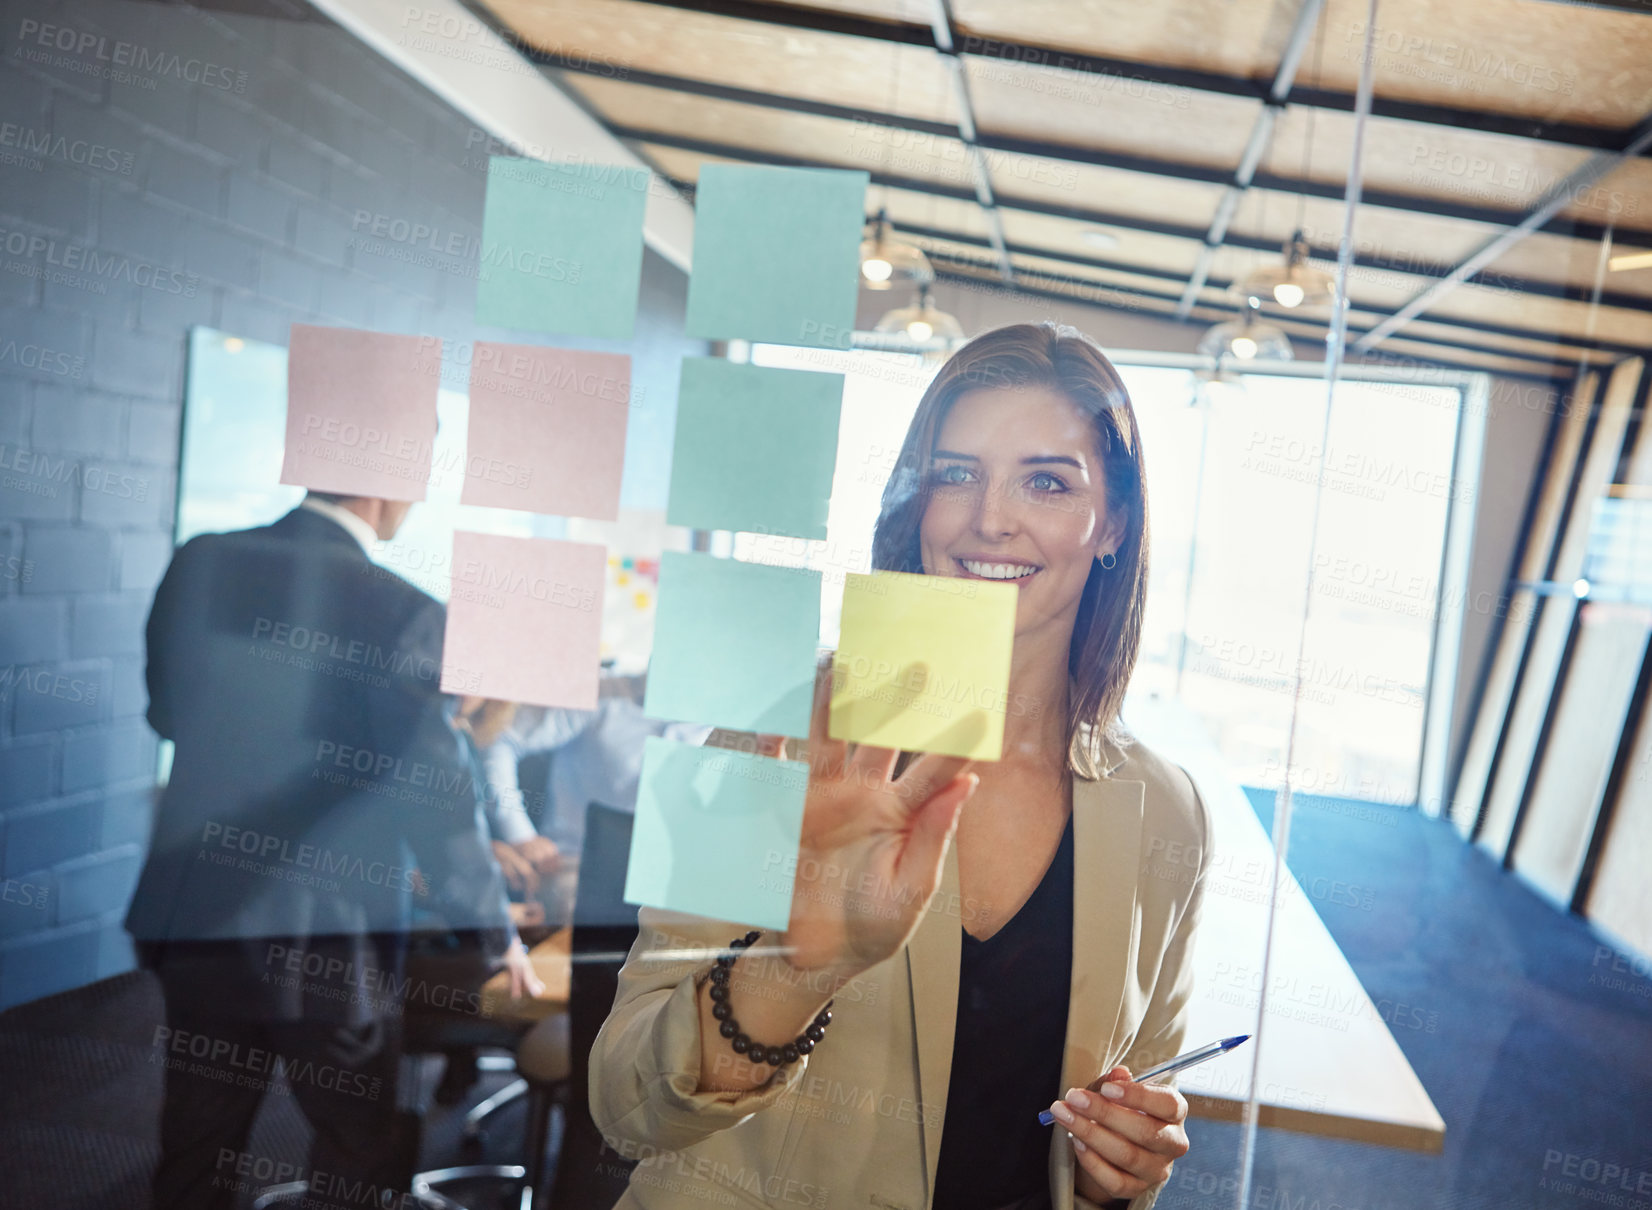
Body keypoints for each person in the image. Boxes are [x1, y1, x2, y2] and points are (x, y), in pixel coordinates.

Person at [589, 324, 1212, 1210]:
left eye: (1046, 481)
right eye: (956, 473)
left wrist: (1127, 1168)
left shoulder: (1168, 811)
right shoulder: (778, 734)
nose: (989, 517)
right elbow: (624, 1107)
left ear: (1111, 522)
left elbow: (1132, 1103)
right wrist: (798, 973)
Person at [127, 489, 540, 1210]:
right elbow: (435, 800)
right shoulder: (405, 610)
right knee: (356, 1147)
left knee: (198, 1139)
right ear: (388, 485)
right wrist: (493, 929)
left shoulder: (204, 559)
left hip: (196, 904)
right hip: (328, 934)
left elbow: (165, 711)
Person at [478, 670, 712, 894]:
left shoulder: (726, 730)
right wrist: (519, 834)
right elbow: (501, 738)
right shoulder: (601, 693)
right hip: (576, 871)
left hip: (671, 882)